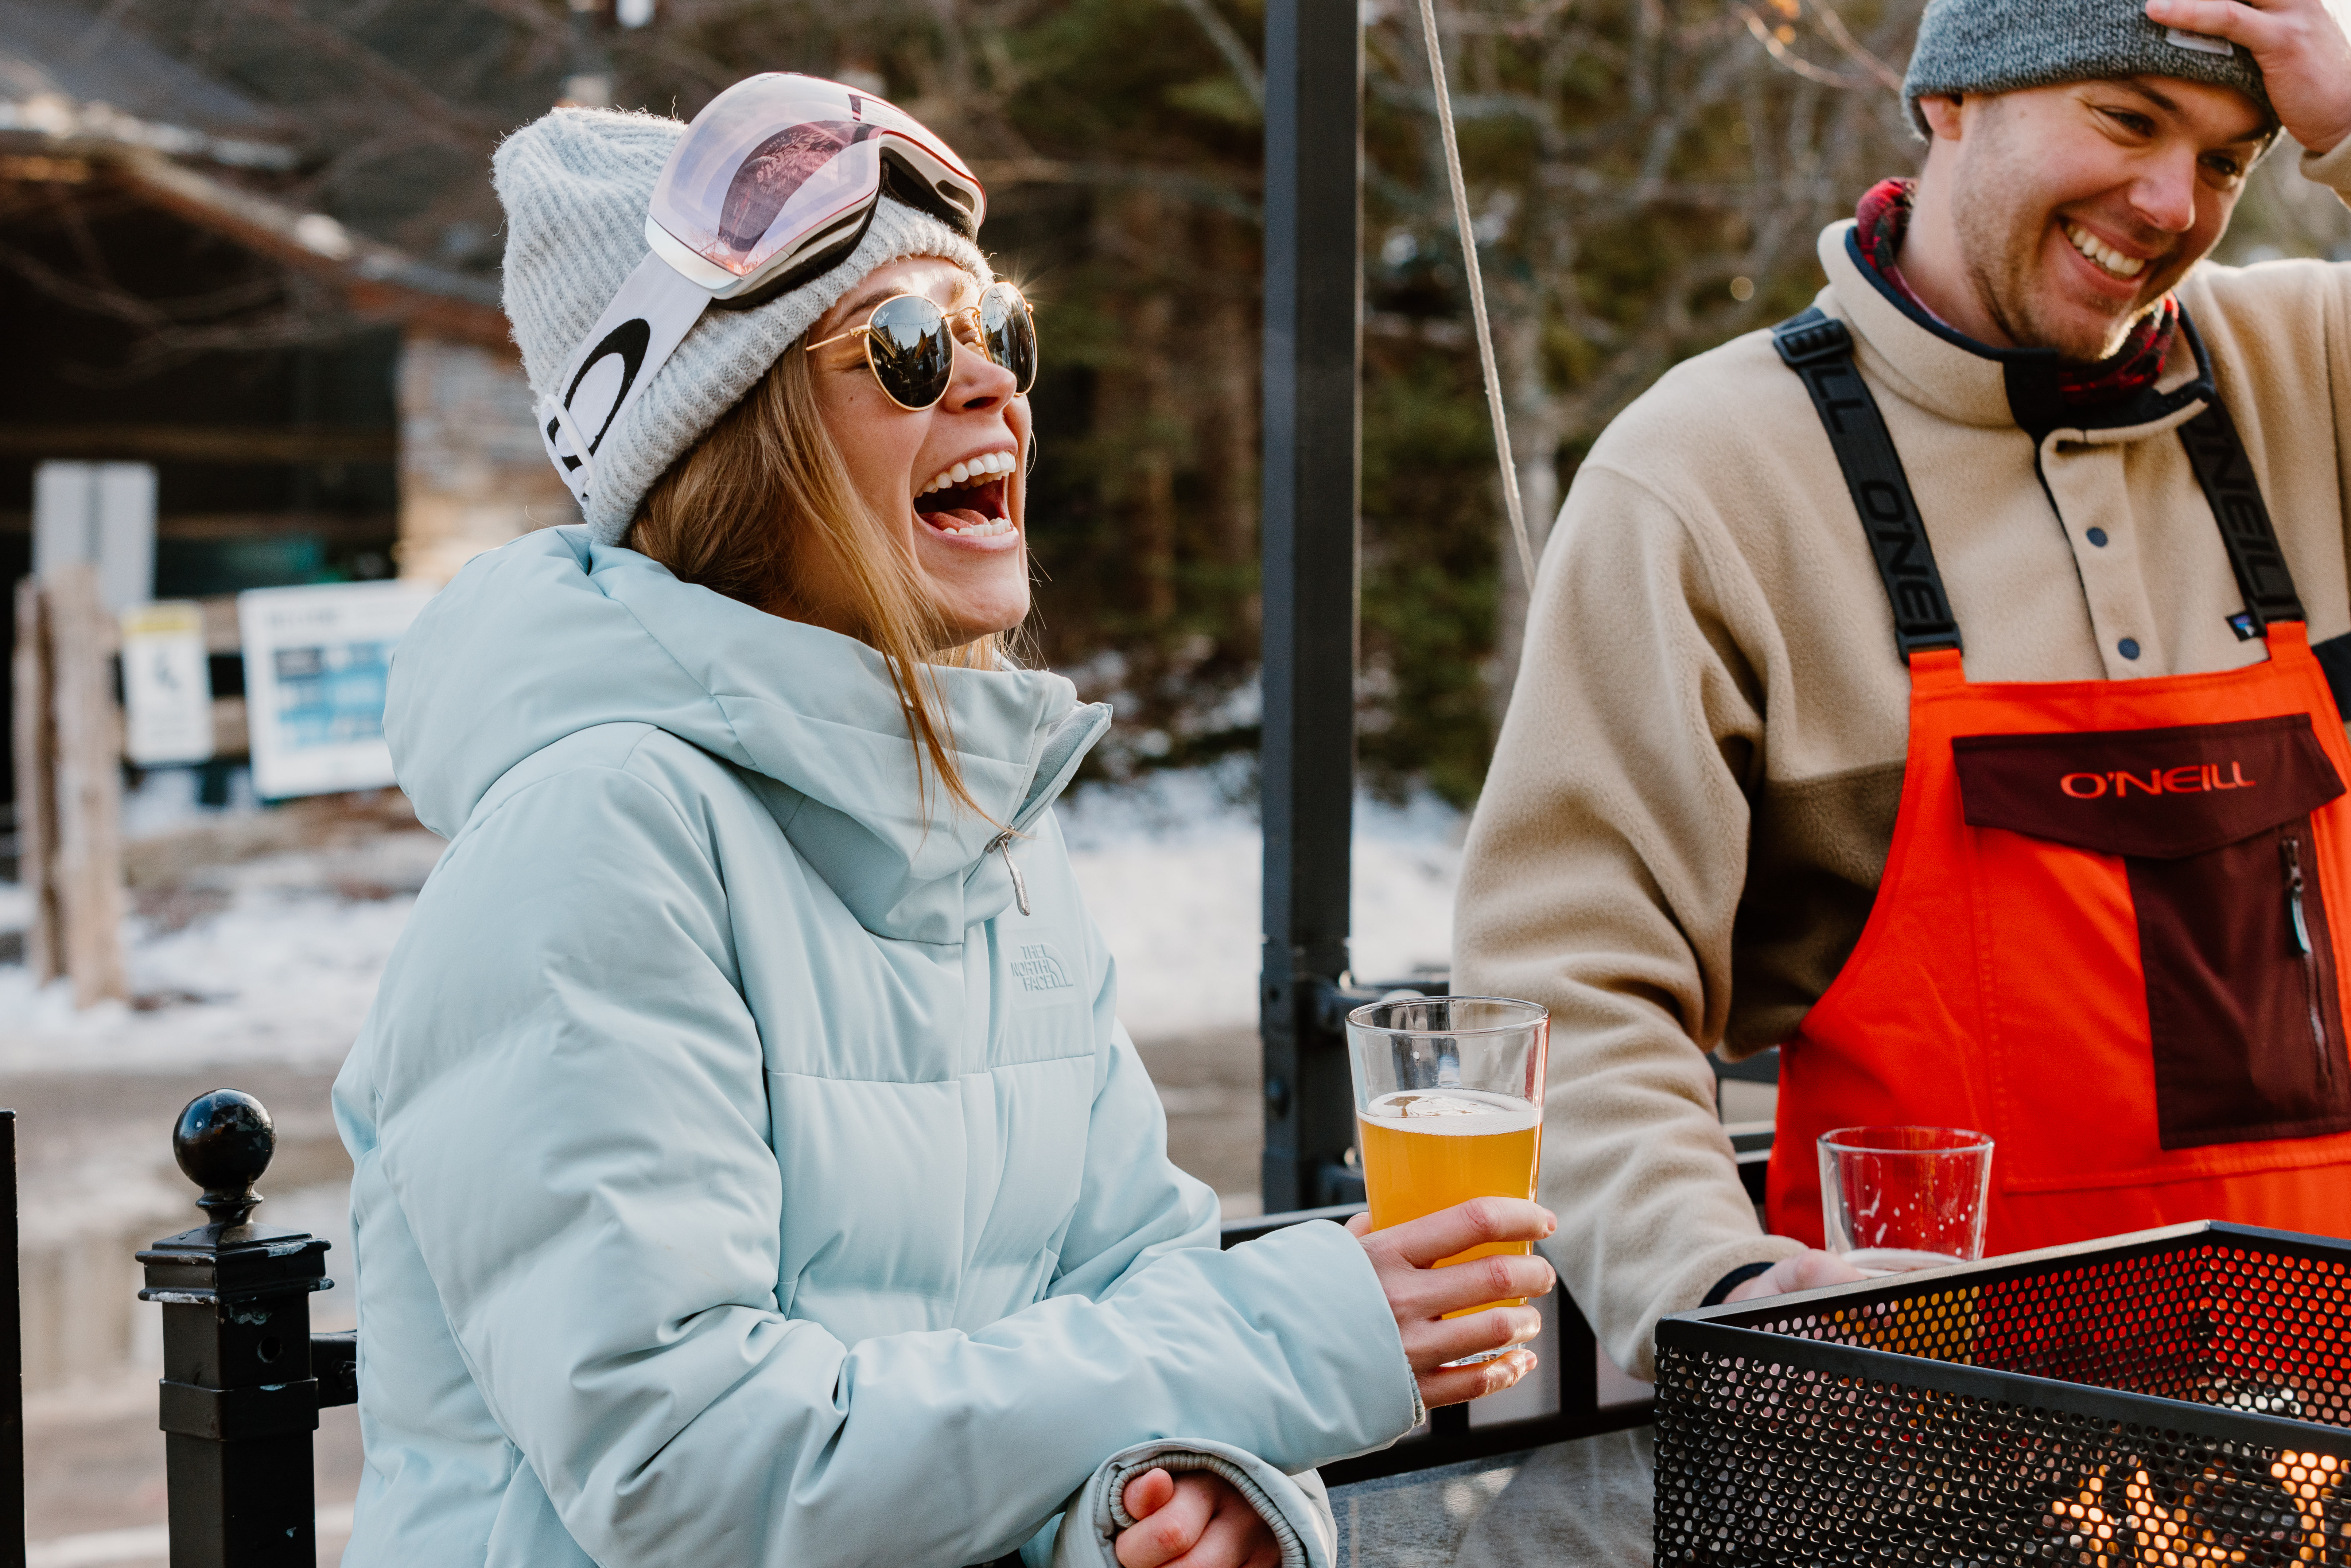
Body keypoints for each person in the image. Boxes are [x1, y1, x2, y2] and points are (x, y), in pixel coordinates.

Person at [334, 79, 1559, 1568]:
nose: (993, 388)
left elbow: (1128, 1289)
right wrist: (1276, 1341)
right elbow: (698, 1471)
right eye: (911, 349)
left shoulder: (994, 829)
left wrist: (1176, 1500)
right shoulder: (594, 841)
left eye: (1001, 333)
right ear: (739, 448)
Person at [1456, 0, 2351, 1383]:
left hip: (2323, 1450)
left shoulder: (2315, 374)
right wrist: (1720, 1287)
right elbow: (1566, 984)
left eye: (2233, 159)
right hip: (1919, 1447)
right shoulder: (1703, 477)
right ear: (1949, 101)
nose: (2174, 204)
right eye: (2127, 119)